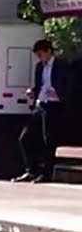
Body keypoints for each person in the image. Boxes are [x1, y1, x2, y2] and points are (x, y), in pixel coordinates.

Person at [15, 39, 68, 183]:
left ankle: (47, 173)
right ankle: (31, 170)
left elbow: (69, 85)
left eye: (40, 54)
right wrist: (33, 91)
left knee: (48, 140)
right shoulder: (39, 67)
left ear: (48, 51)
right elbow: (40, 85)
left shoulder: (61, 66)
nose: (39, 58)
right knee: (25, 137)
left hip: (54, 105)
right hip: (41, 104)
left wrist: (58, 93)